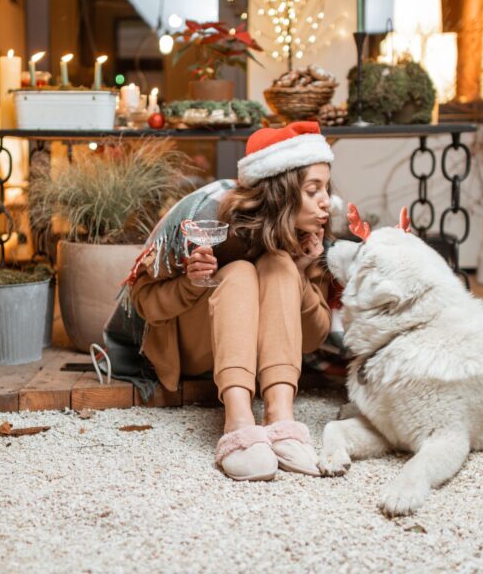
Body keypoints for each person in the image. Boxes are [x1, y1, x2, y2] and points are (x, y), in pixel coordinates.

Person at [109, 121, 341, 481]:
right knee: (239, 274)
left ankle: (280, 419)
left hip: (257, 354)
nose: (327, 200)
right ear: (281, 191)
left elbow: (313, 339)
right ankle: (237, 423)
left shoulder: (306, 236)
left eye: (326, 188)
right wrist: (191, 283)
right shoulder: (207, 215)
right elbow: (145, 305)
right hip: (193, 348)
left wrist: (301, 271)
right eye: (314, 190)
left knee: (279, 264)